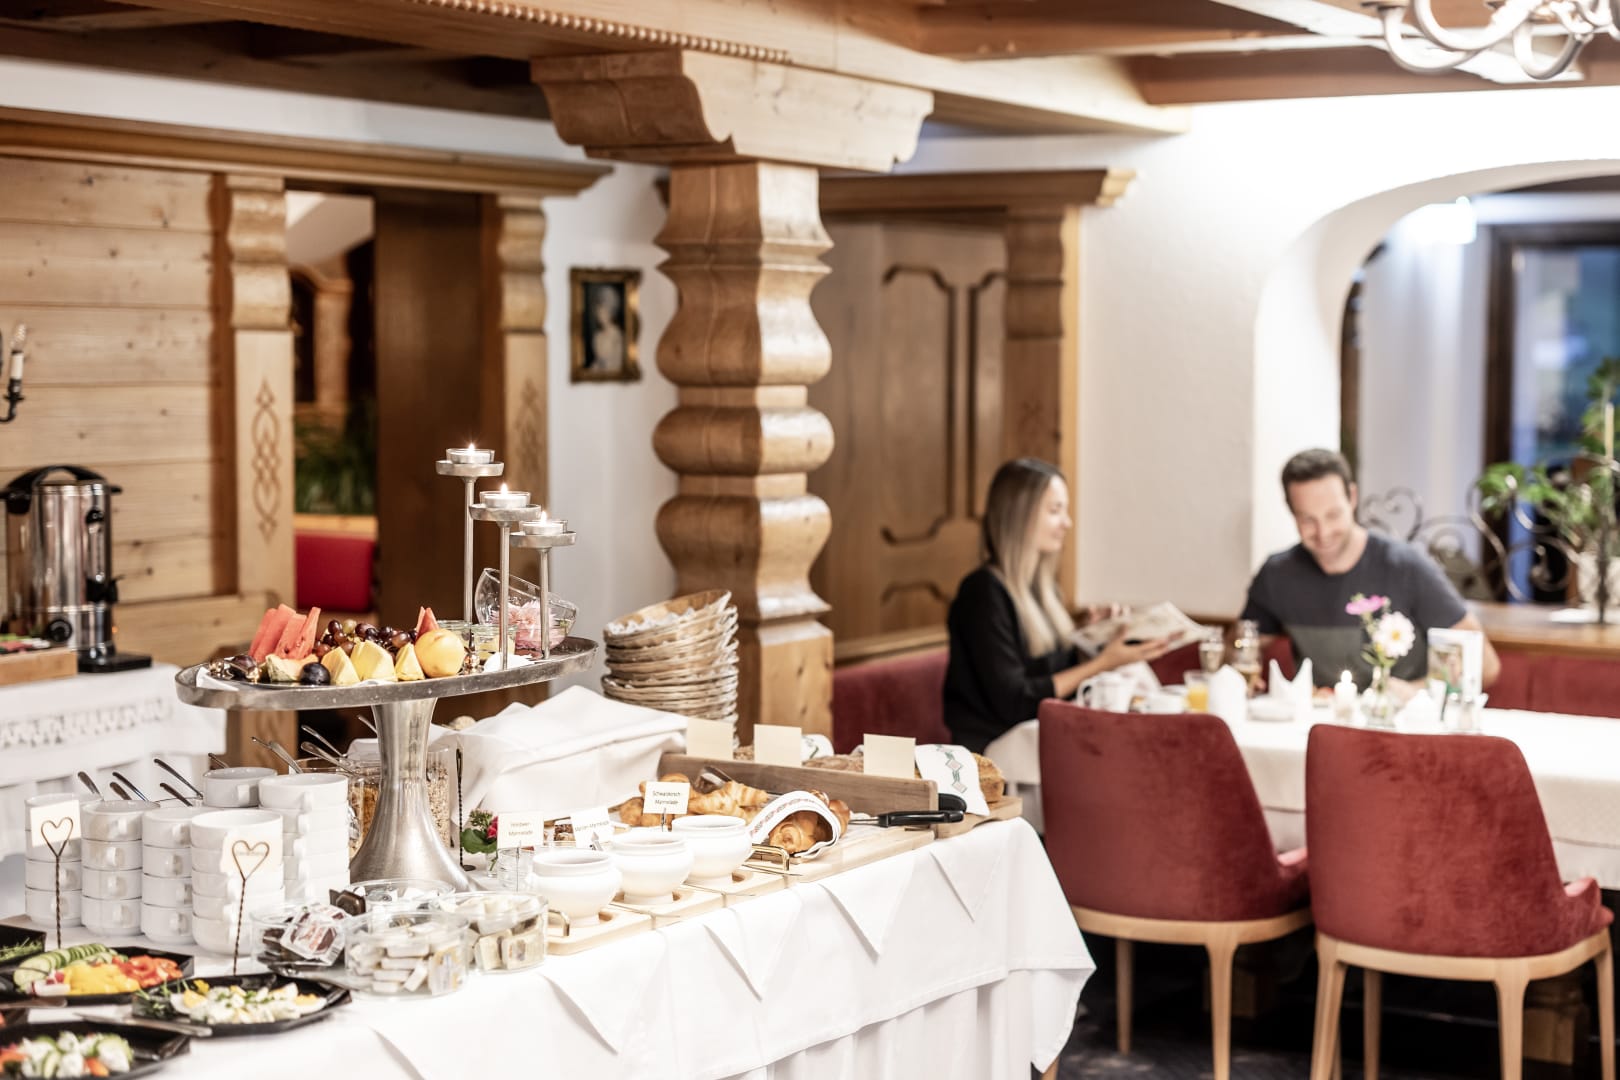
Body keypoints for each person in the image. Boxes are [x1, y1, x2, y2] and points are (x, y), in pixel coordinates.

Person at [943, 458, 1173, 754]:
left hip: (1036, 737)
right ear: (1019, 515)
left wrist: (1091, 638)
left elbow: (1044, 672)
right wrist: (1102, 664)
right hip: (994, 751)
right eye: (1055, 511)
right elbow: (1015, 701)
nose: (1067, 523)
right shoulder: (982, 593)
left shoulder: (1042, 588)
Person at [1241, 448, 1501, 695]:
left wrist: (1417, 691)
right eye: (1308, 519)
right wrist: (1242, 668)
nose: (1323, 532)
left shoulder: (1405, 567)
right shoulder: (1278, 575)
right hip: (1322, 721)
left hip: (1403, 719)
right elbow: (1240, 648)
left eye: (1333, 515)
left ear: (1352, 498)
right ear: (1291, 512)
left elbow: (1486, 665)